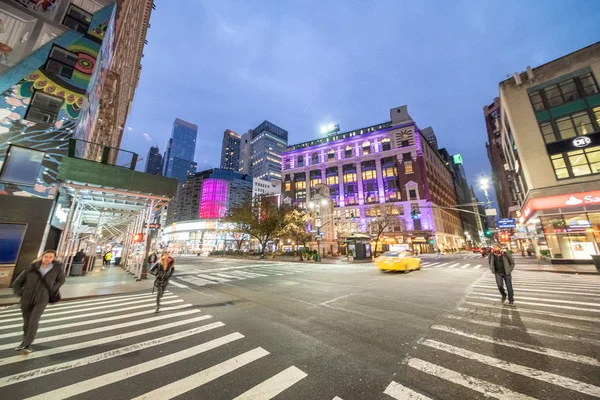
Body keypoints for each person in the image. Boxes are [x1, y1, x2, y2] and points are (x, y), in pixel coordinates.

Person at [11, 250, 66, 354]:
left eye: (50, 257)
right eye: (46, 256)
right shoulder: (32, 267)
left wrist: (53, 289)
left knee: (33, 321)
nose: (48, 259)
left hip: (42, 298)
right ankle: (24, 342)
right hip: (26, 298)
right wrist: (20, 292)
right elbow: (17, 282)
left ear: (54, 258)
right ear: (42, 256)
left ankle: (27, 344)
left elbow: (61, 280)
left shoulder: (57, 269)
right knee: (26, 322)